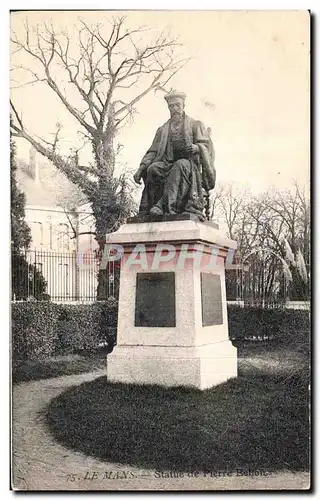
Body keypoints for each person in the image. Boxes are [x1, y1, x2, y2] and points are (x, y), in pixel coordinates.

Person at [133, 90, 216, 220]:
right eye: (171, 106)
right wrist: (141, 168)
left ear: (184, 105)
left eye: (177, 105)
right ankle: (147, 210)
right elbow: (153, 151)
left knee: (179, 165)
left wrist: (196, 148)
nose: (175, 108)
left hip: (189, 166)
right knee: (153, 169)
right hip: (167, 163)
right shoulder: (163, 129)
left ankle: (164, 207)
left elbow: (207, 147)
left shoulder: (195, 125)